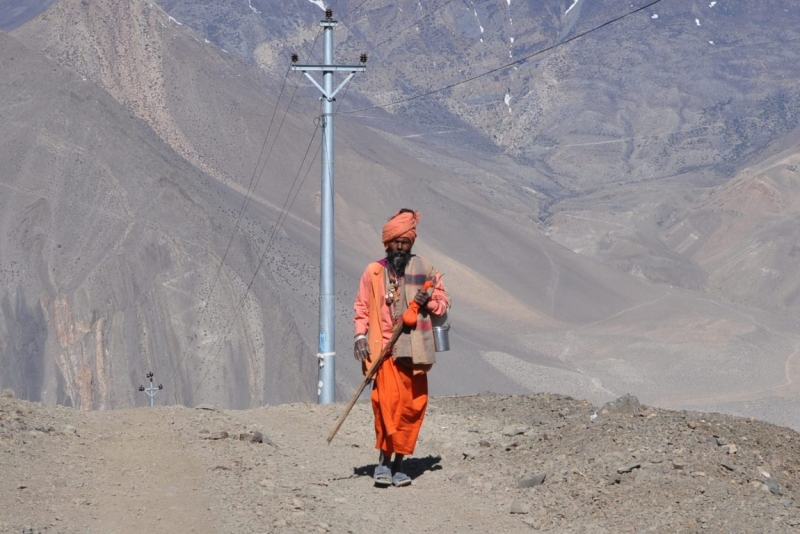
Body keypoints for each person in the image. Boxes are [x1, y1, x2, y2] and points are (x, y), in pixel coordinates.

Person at [353, 209, 449, 487]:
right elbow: (361, 307)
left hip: (415, 353)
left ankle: (399, 465)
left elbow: (444, 303)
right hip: (384, 353)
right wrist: (360, 336)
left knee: (410, 408)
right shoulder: (373, 272)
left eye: (404, 242)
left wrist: (427, 301)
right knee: (385, 407)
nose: (399, 247)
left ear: (411, 244)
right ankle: (383, 462)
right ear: (387, 243)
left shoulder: (426, 269)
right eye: (395, 242)